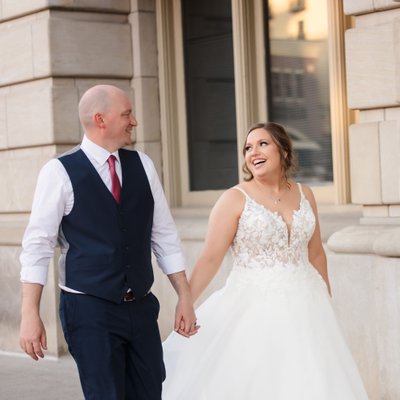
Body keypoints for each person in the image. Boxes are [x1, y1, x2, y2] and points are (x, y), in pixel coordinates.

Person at [162, 122, 369, 399]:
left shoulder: (305, 193)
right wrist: (186, 301)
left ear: (284, 151)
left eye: (262, 144)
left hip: (309, 306)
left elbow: (316, 252)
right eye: (248, 148)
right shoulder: (234, 199)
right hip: (254, 308)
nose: (253, 152)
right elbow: (210, 258)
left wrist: (326, 295)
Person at [19, 84, 198, 400]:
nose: (134, 121)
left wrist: (184, 295)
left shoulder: (143, 165)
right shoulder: (58, 172)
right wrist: (29, 313)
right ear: (100, 119)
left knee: (150, 392)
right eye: (127, 114)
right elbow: (37, 245)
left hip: (141, 306)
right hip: (89, 310)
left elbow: (164, 235)